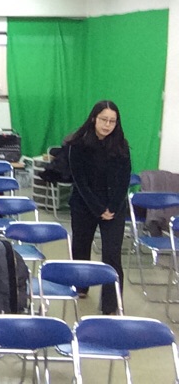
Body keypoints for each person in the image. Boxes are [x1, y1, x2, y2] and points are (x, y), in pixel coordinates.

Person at [66, 100, 131, 314]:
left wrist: (112, 207)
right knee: (81, 247)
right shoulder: (78, 144)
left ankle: (111, 305)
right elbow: (80, 181)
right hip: (85, 204)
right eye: (104, 119)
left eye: (112, 121)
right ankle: (81, 285)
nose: (107, 125)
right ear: (94, 118)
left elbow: (124, 179)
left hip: (114, 207)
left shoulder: (121, 145)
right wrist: (98, 208)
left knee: (112, 255)